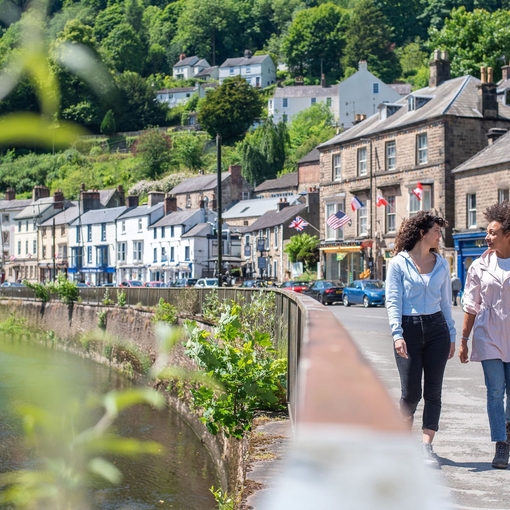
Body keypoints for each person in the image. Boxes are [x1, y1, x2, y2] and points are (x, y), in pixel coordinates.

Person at [386, 211, 456, 465]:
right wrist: (397, 334)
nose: (440, 235)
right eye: (436, 231)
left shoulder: (441, 264)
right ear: (422, 233)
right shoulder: (398, 264)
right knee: (411, 393)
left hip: (437, 327)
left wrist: (452, 335)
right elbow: (393, 301)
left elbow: (446, 303)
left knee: (434, 391)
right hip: (409, 328)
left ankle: (426, 446)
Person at [459, 202, 510, 469]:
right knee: (494, 392)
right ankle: (501, 444)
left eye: (492, 232)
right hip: (488, 334)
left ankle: (508, 430)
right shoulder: (479, 265)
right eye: (487, 232)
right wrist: (464, 340)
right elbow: (470, 304)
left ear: (507, 234)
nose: (487, 237)